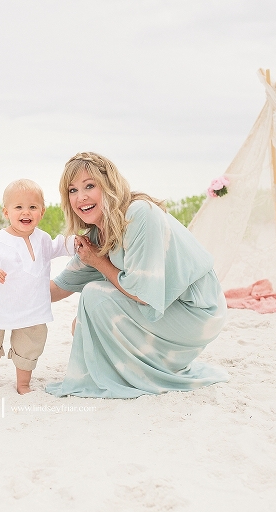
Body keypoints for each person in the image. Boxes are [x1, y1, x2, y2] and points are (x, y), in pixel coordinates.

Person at [46, 152, 229, 399]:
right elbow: (57, 289)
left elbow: (142, 295)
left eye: (90, 186)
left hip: (199, 311)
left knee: (93, 296)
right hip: (169, 310)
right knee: (81, 323)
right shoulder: (97, 237)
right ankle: (134, 371)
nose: (81, 197)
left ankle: (133, 374)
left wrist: (98, 262)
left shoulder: (138, 213)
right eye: (72, 190)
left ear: (108, 185)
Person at [0, 179, 74, 395]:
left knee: (30, 344)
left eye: (33, 207)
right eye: (19, 207)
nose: (26, 212)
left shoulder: (42, 239)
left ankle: (23, 383)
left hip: (31, 306)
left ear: (41, 212)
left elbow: (58, 247)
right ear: (6, 212)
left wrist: (75, 243)